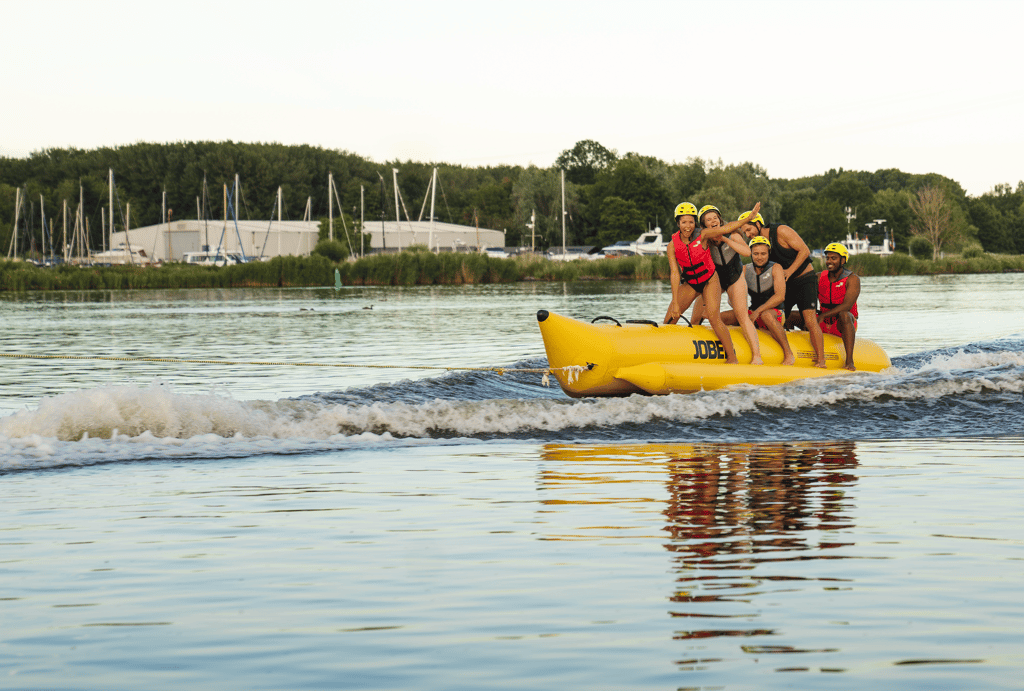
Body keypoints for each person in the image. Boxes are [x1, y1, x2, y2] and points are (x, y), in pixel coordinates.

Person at [663, 201, 762, 366]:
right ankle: (669, 351)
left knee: (715, 317)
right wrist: (674, 302)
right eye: (683, 222)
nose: (687, 226)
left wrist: (748, 219)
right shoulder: (672, 245)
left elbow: (728, 228)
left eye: (690, 222)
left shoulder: (704, 235)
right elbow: (674, 273)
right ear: (678, 223)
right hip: (693, 283)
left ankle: (734, 357)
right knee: (672, 317)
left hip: (712, 280)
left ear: (696, 224)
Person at [735, 211, 826, 368]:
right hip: (785, 283)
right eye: (745, 233)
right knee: (781, 318)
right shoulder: (759, 246)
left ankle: (821, 361)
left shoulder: (781, 231)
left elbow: (804, 250)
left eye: (749, 230)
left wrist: (790, 271)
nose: (748, 235)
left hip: (804, 279)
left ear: (758, 223)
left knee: (810, 319)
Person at [690, 205, 764, 365]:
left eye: (715, 218)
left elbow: (747, 252)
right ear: (704, 226)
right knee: (697, 316)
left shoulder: (732, 234)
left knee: (741, 314)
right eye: (708, 220)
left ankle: (757, 356)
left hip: (734, 278)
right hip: (715, 280)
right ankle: (690, 345)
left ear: (720, 219)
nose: (713, 221)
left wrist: (724, 238)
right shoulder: (704, 239)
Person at [720, 235, 796, 365]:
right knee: (722, 317)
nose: (759, 257)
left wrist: (758, 311)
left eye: (763, 254)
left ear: (768, 253)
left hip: (775, 313)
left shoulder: (776, 268)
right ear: (751, 254)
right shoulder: (744, 269)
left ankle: (789, 354)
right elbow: (734, 295)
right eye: (755, 254)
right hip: (752, 314)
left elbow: (780, 296)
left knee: (766, 315)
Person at [816, 242, 860, 370]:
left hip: (841, 324)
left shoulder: (853, 279)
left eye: (833, 258)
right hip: (822, 321)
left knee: (844, 315)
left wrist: (823, 315)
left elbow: (847, 305)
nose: (829, 261)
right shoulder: (819, 277)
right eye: (827, 258)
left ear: (843, 260)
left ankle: (849, 361)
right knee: (794, 315)